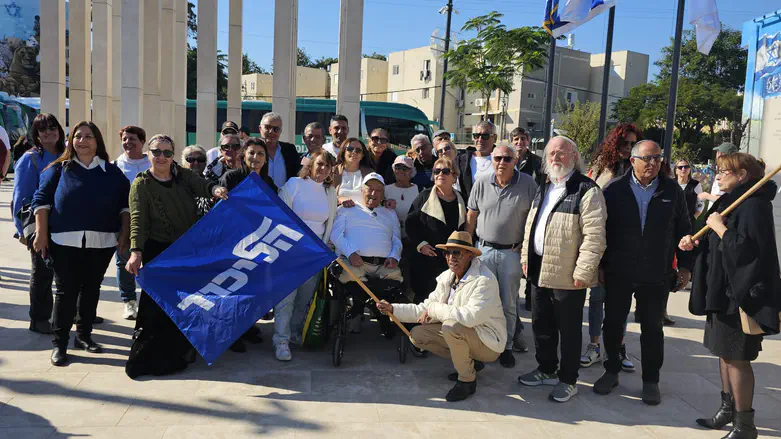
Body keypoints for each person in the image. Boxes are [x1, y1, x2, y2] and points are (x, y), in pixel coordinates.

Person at [680, 153, 779, 439]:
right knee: (723, 353)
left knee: (737, 358)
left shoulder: (754, 206)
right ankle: (727, 409)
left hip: (739, 295)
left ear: (743, 176)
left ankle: (745, 425)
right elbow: (713, 240)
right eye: (718, 170)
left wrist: (720, 227)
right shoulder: (729, 200)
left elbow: (750, 253)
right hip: (720, 292)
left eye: (724, 171)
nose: (718, 176)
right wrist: (694, 240)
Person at [594, 140, 693, 405]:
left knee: (652, 328)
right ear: (633, 160)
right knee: (613, 324)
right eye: (647, 158)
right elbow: (601, 231)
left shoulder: (672, 190)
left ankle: (651, 380)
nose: (653, 164)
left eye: (657, 158)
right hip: (619, 270)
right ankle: (611, 370)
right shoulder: (614, 190)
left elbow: (684, 227)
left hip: (656, 272)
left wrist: (685, 266)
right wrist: (600, 265)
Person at [124, 134, 228, 378]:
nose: (161, 157)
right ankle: (144, 361)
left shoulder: (183, 175)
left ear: (173, 156)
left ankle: (177, 354)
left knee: (183, 307)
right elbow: (138, 220)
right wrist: (135, 251)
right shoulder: (141, 184)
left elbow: (202, 185)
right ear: (148, 154)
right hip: (158, 254)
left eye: (167, 152)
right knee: (155, 309)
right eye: (156, 152)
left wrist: (215, 189)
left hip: (185, 252)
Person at [31, 121, 131, 366]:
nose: (83, 141)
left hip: (102, 242)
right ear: (71, 141)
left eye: (88, 136)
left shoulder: (112, 172)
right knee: (66, 293)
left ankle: (84, 336)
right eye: (78, 136)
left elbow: (125, 207)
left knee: (91, 290)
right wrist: (41, 233)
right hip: (64, 242)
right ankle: (60, 344)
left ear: (97, 141)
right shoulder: (58, 169)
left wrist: (125, 235)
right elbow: (40, 201)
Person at [517, 136, 607, 403]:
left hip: (568, 275)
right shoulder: (543, 187)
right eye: (551, 153)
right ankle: (546, 369)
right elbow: (530, 226)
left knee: (568, 330)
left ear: (574, 156)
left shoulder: (586, 190)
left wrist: (583, 271)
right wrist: (525, 257)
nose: (556, 157)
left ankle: (568, 380)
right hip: (539, 270)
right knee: (541, 325)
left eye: (562, 153)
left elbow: (594, 236)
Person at [376, 231, 506, 402]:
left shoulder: (484, 280)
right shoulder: (447, 277)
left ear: (469, 255)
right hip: (468, 334)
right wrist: (392, 309)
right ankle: (470, 364)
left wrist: (435, 310)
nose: (451, 257)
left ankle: (467, 381)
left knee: (451, 327)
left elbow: (469, 317)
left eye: (457, 252)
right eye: (448, 252)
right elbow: (424, 308)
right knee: (417, 335)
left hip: (488, 342)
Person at [466, 144, 536, 367]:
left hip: (511, 253)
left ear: (515, 161)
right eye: (498, 158)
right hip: (484, 250)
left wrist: (525, 246)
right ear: (492, 159)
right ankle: (481, 346)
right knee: (480, 300)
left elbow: (535, 218)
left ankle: (505, 347)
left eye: (507, 158)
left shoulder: (528, 184)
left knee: (508, 303)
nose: (502, 163)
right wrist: (468, 250)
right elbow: (471, 216)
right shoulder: (482, 182)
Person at [580, 123, 642, 372]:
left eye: (632, 144)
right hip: (600, 241)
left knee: (621, 301)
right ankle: (595, 345)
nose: (627, 148)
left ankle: (617, 346)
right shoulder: (599, 169)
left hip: (626, 246)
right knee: (596, 298)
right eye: (624, 143)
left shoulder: (641, 171)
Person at [274, 150, 338, 361]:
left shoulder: (330, 192)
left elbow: (328, 224)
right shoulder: (294, 184)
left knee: (304, 299)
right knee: (286, 299)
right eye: (319, 164)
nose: (323, 169)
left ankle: (293, 333)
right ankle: (281, 340)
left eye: (327, 166)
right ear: (310, 165)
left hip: (314, 255)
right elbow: (281, 217)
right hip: (291, 253)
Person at [12, 113, 66, 334]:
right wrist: (22, 230)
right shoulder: (30, 159)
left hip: (67, 222)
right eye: (42, 129)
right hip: (40, 223)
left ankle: (76, 312)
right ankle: (40, 318)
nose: (48, 132)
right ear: (35, 134)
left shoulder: (68, 154)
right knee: (42, 273)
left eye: (52, 127)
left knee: (71, 273)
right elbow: (21, 197)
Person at [330, 173, 403, 334]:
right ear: (362, 190)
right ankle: (378, 312)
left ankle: (362, 306)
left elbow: (396, 239)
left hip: (382, 265)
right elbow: (336, 235)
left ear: (383, 194)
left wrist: (394, 256)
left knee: (396, 278)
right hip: (356, 263)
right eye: (370, 189)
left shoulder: (389, 213)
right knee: (349, 276)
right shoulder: (347, 209)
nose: (373, 194)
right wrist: (351, 253)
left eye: (378, 190)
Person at [406, 157, 466, 304]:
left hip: (453, 260)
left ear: (454, 176)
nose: (440, 175)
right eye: (436, 171)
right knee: (426, 300)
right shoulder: (424, 196)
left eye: (445, 171)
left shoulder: (463, 199)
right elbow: (410, 224)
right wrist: (421, 245)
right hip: (427, 260)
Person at [113, 126, 151, 320]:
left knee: (151, 261)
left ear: (142, 142)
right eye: (125, 139)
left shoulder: (152, 161)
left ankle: (151, 301)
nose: (128, 142)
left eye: (133, 139)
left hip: (152, 221)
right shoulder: (115, 165)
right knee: (123, 262)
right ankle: (129, 301)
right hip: (124, 222)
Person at [589, 123, 642, 187]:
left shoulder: (638, 166)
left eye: (633, 144)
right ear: (616, 143)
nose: (628, 147)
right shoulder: (602, 162)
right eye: (624, 143)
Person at [457, 121, 497, 202]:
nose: (480, 140)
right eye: (476, 136)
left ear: (494, 138)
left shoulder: (504, 159)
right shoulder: (462, 161)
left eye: (485, 136)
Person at [259, 112, 301, 188]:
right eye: (267, 127)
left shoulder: (290, 150)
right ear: (260, 129)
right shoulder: (252, 151)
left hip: (284, 198)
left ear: (280, 131)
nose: (271, 132)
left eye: (276, 129)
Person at [385, 156, 419, 239]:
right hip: (390, 238)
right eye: (397, 167)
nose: (400, 171)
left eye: (405, 168)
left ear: (412, 171)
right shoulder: (385, 189)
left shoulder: (419, 190)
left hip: (412, 239)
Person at [334, 138, 374, 207]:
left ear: (362, 155)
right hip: (339, 215)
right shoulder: (333, 171)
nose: (354, 152)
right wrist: (339, 199)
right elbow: (324, 195)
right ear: (344, 151)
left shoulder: (370, 173)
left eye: (358, 150)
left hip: (364, 215)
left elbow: (378, 196)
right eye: (350, 149)